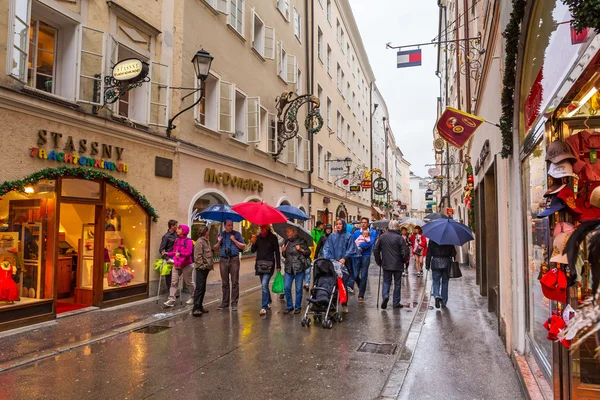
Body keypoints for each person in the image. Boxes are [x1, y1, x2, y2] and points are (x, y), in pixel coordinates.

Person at [322, 218, 359, 313]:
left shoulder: (348, 236)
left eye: (340, 224)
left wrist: (344, 258)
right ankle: (333, 304)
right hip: (333, 264)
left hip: (344, 264)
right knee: (333, 283)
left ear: (343, 225)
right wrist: (330, 259)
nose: (338, 225)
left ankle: (344, 303)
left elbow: (351, 249)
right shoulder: (332, 236)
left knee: (343, 284)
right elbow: (326, 248)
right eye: (337, 224)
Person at [374, 220, 409, 309]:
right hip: (398, 264)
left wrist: (379, 261)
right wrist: (404, 261)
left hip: (386, 263)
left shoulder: (382, 237)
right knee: (397, 283)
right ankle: (396, 302)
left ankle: (385, 296)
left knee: (386, 281)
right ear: (397, 228)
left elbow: (376, 250)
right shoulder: (400, 238)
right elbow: (405, 252)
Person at [214, 219, 245, 311]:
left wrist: (234, 240)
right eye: (229, 225)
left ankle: (234, 303)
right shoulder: (221, 235)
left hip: (234, 259)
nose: (231, 226)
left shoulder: (237, 234)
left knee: (235, 282)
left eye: (232, 225)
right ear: (225, 226)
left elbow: (243, 246)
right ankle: (225, 303)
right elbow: (215, 247)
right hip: (223, 260)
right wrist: (219, 241)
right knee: (225, 283)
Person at [250, 225, 281, 315]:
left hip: (269, 265)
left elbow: (277, 252)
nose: (261, 229)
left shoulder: (273, 237)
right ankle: (269, 301)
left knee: (264, 284)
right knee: (264, 286)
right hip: (260, 265)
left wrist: (278, 266)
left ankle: (264, 307)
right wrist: (253, 242)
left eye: (263, 228)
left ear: (267, 228)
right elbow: (252, 250)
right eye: (260, 228)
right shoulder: (258, 237)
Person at [163, 225, 195, 307]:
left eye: (179, 229)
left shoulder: (188, 241)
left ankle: (194, 297)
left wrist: (180, 254)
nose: (177, 230)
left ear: (184, 231)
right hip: (177, 264)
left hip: (186, 264)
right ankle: (171, 300)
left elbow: (189, 253)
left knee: (188, 282)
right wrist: (167, 253)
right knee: (173, 282)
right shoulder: (176, 240)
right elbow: (174, 252)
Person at [282, 226, 311, 314]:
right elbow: (285, 256)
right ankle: (290, 306)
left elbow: (308, 253)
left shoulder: (301, 241)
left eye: (288, 231)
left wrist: (301, 249)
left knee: (298, 289)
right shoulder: (286, 242)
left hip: (299, 268)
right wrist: (283, 251)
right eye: (286, 231)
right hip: (289, 268)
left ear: (294, 232)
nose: (287, 233)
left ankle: (297, 307)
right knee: (287, 287)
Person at [352, 217, 378, 302]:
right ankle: (361, 285)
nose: (363, 224)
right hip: (356, 255)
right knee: (354, 274)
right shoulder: (356, 233)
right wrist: (358, 248)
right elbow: (352, 243)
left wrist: (360, 246)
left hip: (366, 255)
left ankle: (361, 295)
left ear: (368, 224)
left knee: (364, 275)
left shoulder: (372, 232)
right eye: (362, 222)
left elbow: (370, 243)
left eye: (365, 222)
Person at [426, 239, 456, 308]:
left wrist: (427, 265)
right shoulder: (449, 240)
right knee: (445, 282)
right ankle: (444, 302)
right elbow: (453, 253)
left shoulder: (432, 240)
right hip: (446, 263)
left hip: (435, 262)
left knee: (436, 281)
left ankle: (436, 295)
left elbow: (429, 254)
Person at [192, 225, 213, 316]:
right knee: (199, 288)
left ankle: (200, 306)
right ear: (205, 232)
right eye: (208, 231)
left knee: (203, 288)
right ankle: (195, 308)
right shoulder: (199, 242)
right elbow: (198, 256)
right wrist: (203, 266)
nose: (208, 233)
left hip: (206, 268)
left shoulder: (206, 241)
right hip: (201, 268)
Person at [159, 220, 178, 291]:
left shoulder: (177, 234)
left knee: (175, 276)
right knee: (169, 276)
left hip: (176, 257)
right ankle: (170, 292)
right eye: (176, 225)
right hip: (169, 258)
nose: (177, 227)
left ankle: (174, 291)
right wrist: (167, 259)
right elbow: (161, 249)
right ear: (172, 226)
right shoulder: (166, 236)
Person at [306, 221, 325, 290]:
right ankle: (313, 282)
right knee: (314, 267)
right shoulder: (314, 232)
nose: (323, 226)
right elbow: (312, 241)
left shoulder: (323, 231)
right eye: (322, 225)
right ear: (319, 225)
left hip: (322, 251)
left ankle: (320, 281)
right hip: (315, 250)